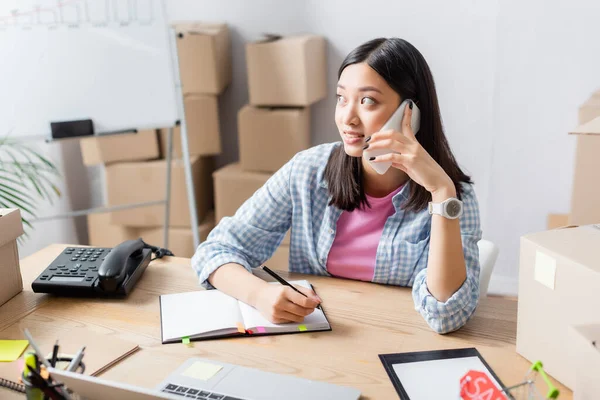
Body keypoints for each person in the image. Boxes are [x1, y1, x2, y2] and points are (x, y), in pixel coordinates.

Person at [192, 37, 482, 334]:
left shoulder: (454, 196)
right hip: (316, 339)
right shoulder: (308, 170)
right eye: (342, 98)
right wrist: (259, 294)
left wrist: (442, 194)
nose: (347, 118)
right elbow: (216, 250)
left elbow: (446, 315)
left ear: (411, 113)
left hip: (400, 340)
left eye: (367, 101)